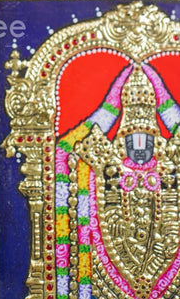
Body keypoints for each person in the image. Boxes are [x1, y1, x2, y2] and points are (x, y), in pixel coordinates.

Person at [55, 63, 180, 299]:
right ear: (123, 141)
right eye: (134, 141)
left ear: (156, 141)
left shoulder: (169, 168)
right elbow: (65, 149)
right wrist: (109, 109)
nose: (140, 148)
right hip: (116, 260)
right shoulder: (109, 168)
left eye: (146, 140)